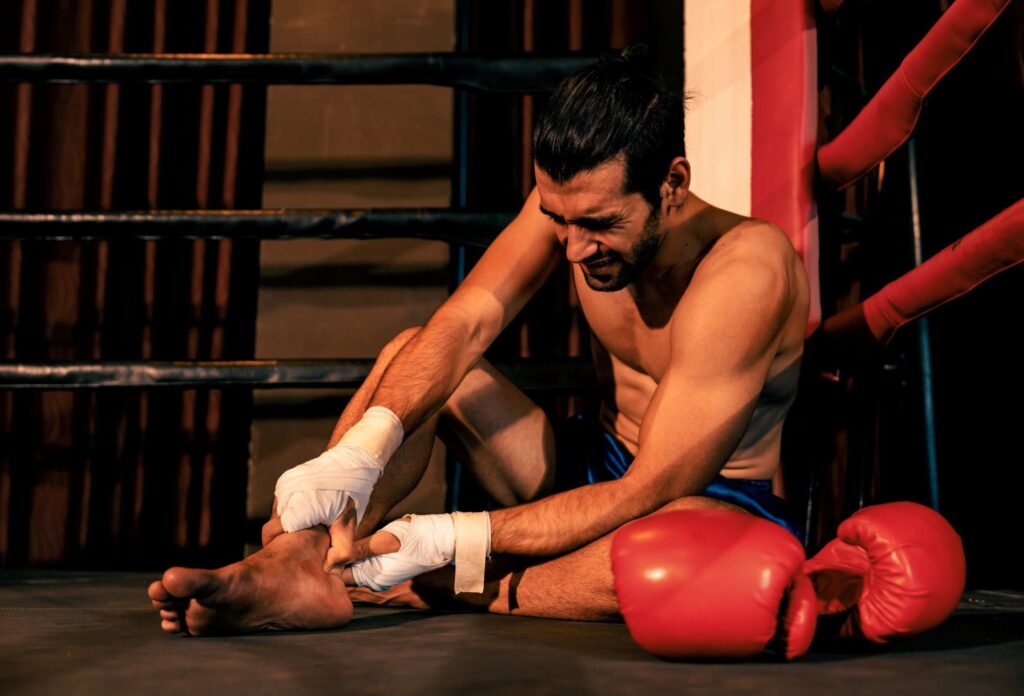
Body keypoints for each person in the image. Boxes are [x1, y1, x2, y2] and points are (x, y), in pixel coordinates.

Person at [148, 47, 810, 636]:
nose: (575, 248)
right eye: (560, 220)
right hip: (589, 467)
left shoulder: (745, 269)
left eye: (600, 225)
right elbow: (463, 325)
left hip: (697, 503)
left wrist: (452, 541)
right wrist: (363, 448)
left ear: (672, 183)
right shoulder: (573, 206)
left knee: (668, 550)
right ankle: (297, 567)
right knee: (420, 352)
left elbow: (651, 487)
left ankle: (464, 587)